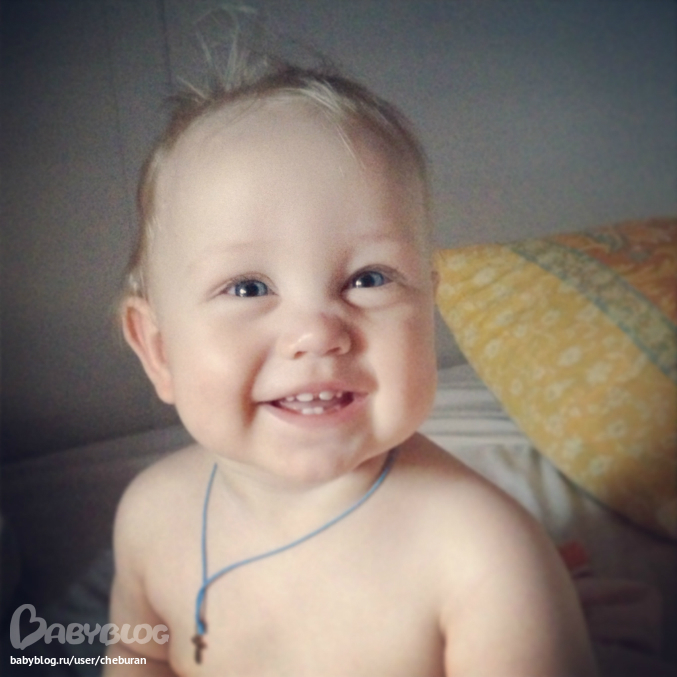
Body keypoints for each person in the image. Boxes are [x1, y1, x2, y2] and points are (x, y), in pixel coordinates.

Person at [106, 51, 598, 676]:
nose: (317, 332)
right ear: (158, 350)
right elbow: (139, 653)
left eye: (369, 279)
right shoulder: (151, 514)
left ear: (428, 306)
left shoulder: (484, 556)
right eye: (248, 287)